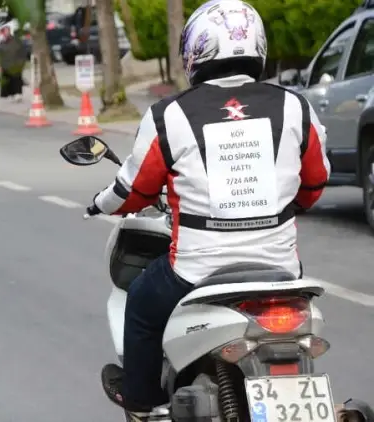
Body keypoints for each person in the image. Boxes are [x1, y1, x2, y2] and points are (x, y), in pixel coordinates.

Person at [87, 1, 331, 420]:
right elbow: (313, 184)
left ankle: (143, 402)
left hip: (196, 269)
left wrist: (99, 205)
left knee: (142, 305)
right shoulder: (295, 106)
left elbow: (134, 188)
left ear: (194, 53)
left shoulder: (170, 114)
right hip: (281, 269)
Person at [0, 26, 27, 102]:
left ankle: (18, 94)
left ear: (9, 31)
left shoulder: (16, 41)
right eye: (4, 31)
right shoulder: (2, 42)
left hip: (15, 63)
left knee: (16, 79)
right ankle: (13, 94)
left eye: (7, 31)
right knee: (8, 80)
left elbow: (22, 52)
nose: (6, 33)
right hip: (5, 64)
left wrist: (21, 62)